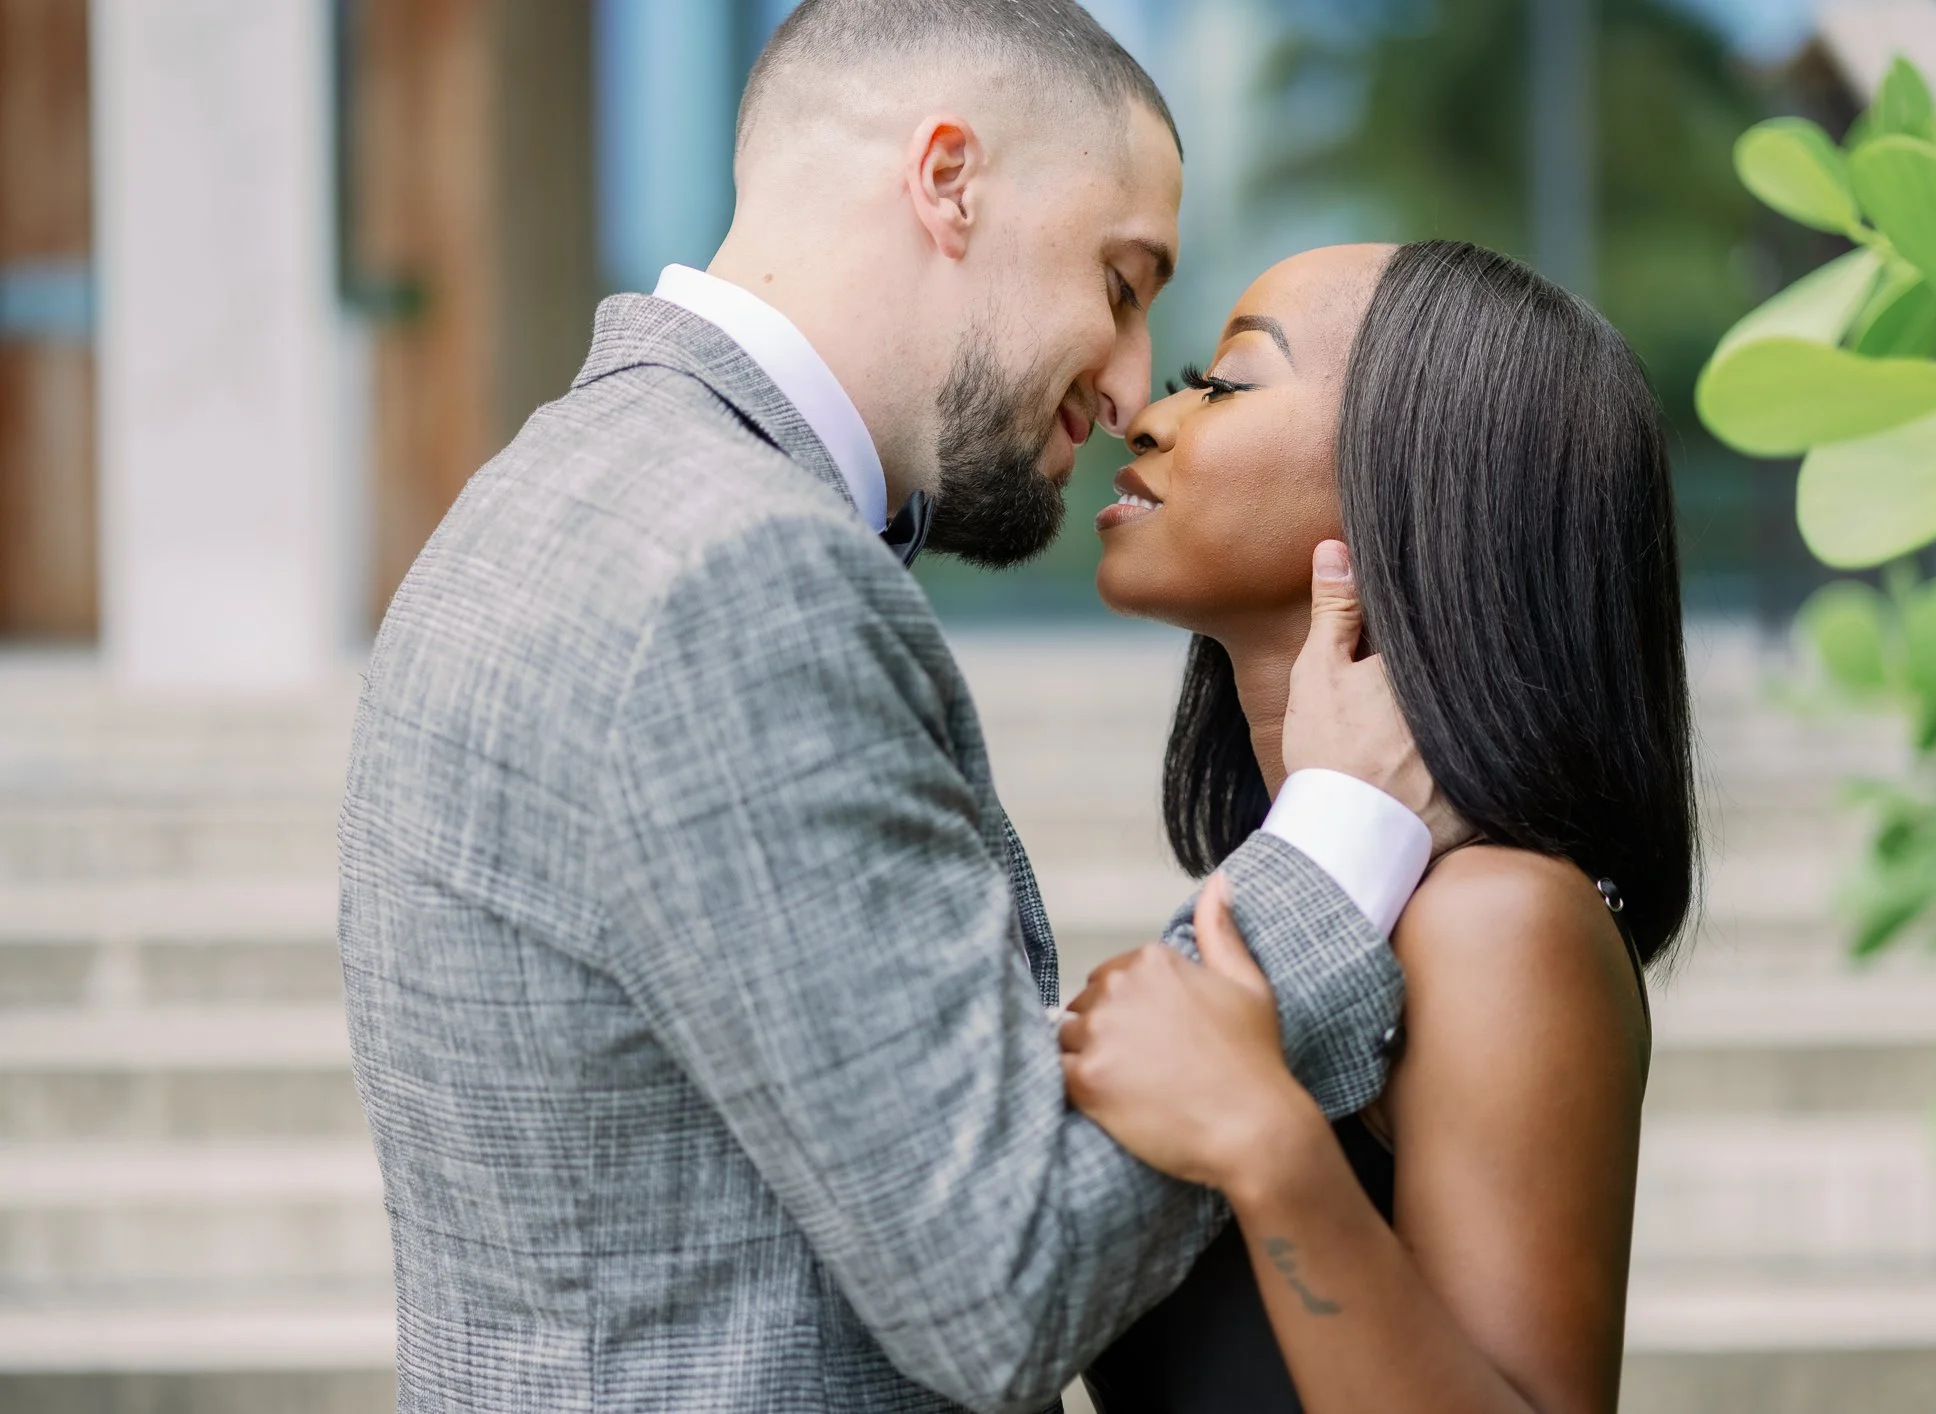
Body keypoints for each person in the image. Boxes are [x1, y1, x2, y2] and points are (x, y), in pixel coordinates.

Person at [337, 5, 1461, 1412]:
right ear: (950, 181)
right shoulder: (740, 576)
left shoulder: (540, 495)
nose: (1129, 384)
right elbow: (1001, 1279)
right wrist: (1336, 845)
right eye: (1121, 283)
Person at [1066, 241, 1698, 1414]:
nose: (1147, 417)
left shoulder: (1495, 919)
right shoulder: (1304, 897)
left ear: (1422, 482)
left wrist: (1262, 1141)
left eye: (1226, 383)